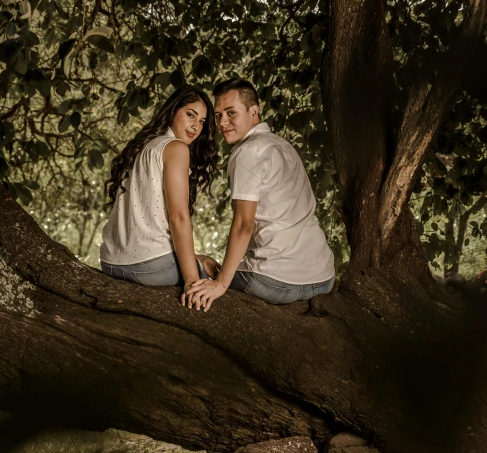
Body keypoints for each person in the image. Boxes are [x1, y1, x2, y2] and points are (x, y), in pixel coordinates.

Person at [186, 78, 335, 310]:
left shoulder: (248, 151)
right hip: (323, 278)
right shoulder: (283, 145)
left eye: (231, 113)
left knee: (195, 264)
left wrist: (220, 284)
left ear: (253, 111)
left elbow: (244, 224)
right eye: (217, 115)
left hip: (275, 281)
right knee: (216, 266)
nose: (223, 122)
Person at [100, 85, 219, 304]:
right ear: (173, 111)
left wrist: (197, 259)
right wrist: (193, 278)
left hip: (111, 263)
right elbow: (178, 217)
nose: (196, 126)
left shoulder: (143, 145)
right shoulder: (176, 148)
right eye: (190, 115)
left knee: (203, 261)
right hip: (147, 267)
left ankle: (199, 261)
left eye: (202, 121)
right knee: (215, 278)